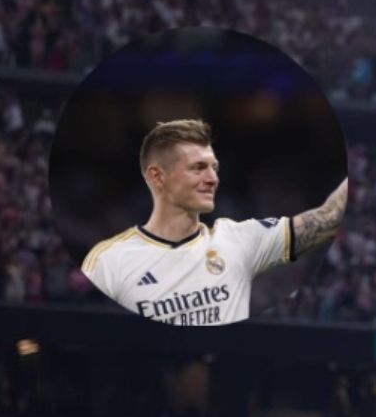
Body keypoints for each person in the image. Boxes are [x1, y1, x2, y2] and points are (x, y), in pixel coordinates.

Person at [80, 118, 348, 325]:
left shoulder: (237, 235)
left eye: (212, 167)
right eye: (197, 168)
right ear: (158, 177)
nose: (211, 179)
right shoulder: (113, 258)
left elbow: (323, 220)